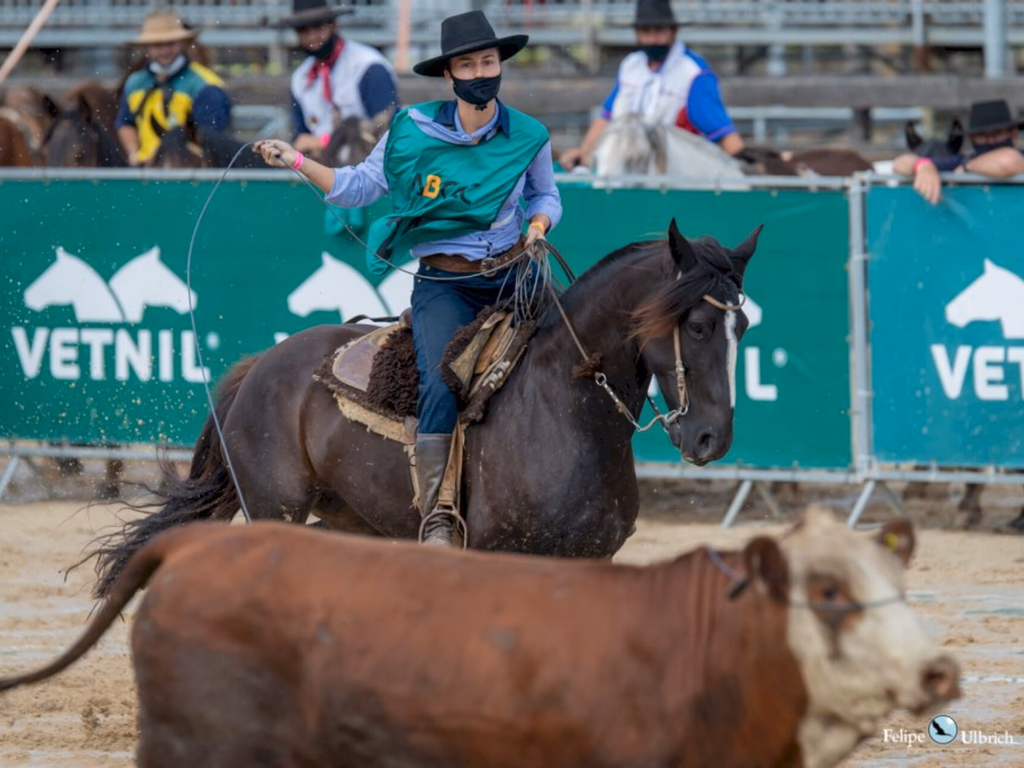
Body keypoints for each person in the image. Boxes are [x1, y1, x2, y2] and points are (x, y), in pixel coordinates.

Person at [254, 11, 562, 547]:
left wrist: (538, 224)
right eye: (469, 65)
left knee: (574, 354)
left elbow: (545, 195)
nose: (481, 72)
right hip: (446, 283)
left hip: (514, 273)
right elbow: (355, 187)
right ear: (451, 76)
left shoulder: (531, 136)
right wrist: (298, 159)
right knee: (440, 381)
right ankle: (439, 513)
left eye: (489, 61)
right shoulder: (411, 132)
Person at [560, 0, 744, 170]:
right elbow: (607, 116)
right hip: (623, 163)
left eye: (658, 31)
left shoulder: (692, 73)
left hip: (671, 172)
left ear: (673, 32)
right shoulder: (631, 66)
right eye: (645, 32)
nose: (651, 39)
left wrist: (745, 167)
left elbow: (721, 131)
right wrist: (584, 153)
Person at [275, 0, 400, 157]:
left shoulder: (368, 66)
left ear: (334, 25)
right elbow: (301, 136)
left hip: (367, 166)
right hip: (320, 170)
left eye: (318, 27)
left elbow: (388, 130)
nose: (312, 37)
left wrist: (325, 141)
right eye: (303, 30)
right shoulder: (299, 78)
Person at [115, 11, 232, 166]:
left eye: (170, 43)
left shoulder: (205, 85)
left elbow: (211, 140)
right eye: (157, 45)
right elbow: (125, 123)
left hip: (189, 173)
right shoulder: (135, 82)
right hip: (145, 171)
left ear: (182, 43)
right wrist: (134, 154)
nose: (164, 51)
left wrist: (172, 158)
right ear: (146, 48)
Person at [894, 99, 1024, 205]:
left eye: (997, 133)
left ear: (1013, 134)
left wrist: (967, 168)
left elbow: (1009, 162)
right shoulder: (959, 161)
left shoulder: (964, 164)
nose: (989, 140)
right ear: (972, 138)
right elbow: (899, 163)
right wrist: (922, 165)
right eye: (981, 135)